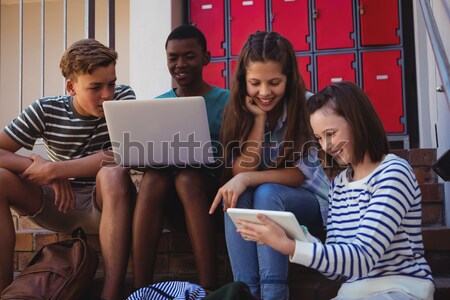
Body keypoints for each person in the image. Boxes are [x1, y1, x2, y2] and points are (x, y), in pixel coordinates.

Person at [235, 81, 435, 300]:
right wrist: (297, 236)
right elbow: (334, 270)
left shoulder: (393, 173)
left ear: (357, 121)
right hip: (352, 294)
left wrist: (289, 246)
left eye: (331, 133)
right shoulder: (339, 184)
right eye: (319, 138)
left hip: (399, 290)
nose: (326, 146)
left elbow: (363, 257)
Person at [0, 38, 136, 300]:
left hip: (104, 203)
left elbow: (123, 152)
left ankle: (111, 295)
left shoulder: (123, 98)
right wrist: (44, 169)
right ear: (71, 87)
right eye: (96, 87)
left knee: (114, 173)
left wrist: (58, 170)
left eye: (111, 83)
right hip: (56, 205)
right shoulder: (45, 109)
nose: (107, 94)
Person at [209, 31, 330, 300]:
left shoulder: (308, 106)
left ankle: (274, 294)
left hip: (312, 204)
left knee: (265, 193)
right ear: (244, 81)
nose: (264, 92)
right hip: (270, 205)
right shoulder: (240, 109)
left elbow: (299, 175)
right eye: (255, 83)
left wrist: (249, 179)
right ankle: (245, 291)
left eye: (274, 82)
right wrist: (259, 120)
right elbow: (241, 171)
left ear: (288, 79)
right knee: (240, 195)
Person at [132, 24, 229, 291]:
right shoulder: (157, 103)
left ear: (206, 58)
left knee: (187, 178)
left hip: (208, 199)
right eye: (173, 57)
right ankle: (141, 290)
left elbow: (236, 157)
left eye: (189, 55)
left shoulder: (227, 101)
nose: (180, 64)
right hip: (167, 202)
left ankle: (210, 287)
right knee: (152, 178)